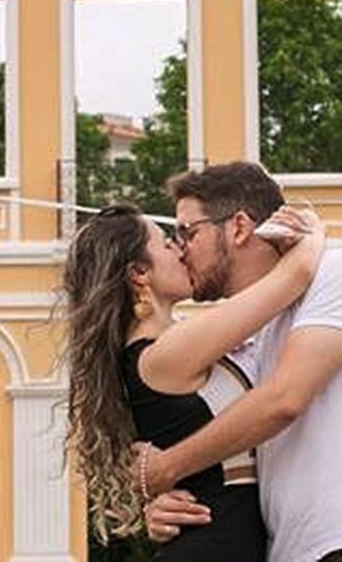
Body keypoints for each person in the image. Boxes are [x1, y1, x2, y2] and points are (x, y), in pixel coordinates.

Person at [61, 195, 322, 560]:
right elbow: (296, 274)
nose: (180, 249)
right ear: (139, 272)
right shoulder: (164, 352)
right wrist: (313, 230)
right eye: (167, 242)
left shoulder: (165, 349)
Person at [143, 161, 342, 562]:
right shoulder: (254, 324)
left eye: (187, 232)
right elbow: (234, 442)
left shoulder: (332, 270)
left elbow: (284, 400)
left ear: (237, 227)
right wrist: (166, 501)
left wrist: (169, 465)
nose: (180, 250)